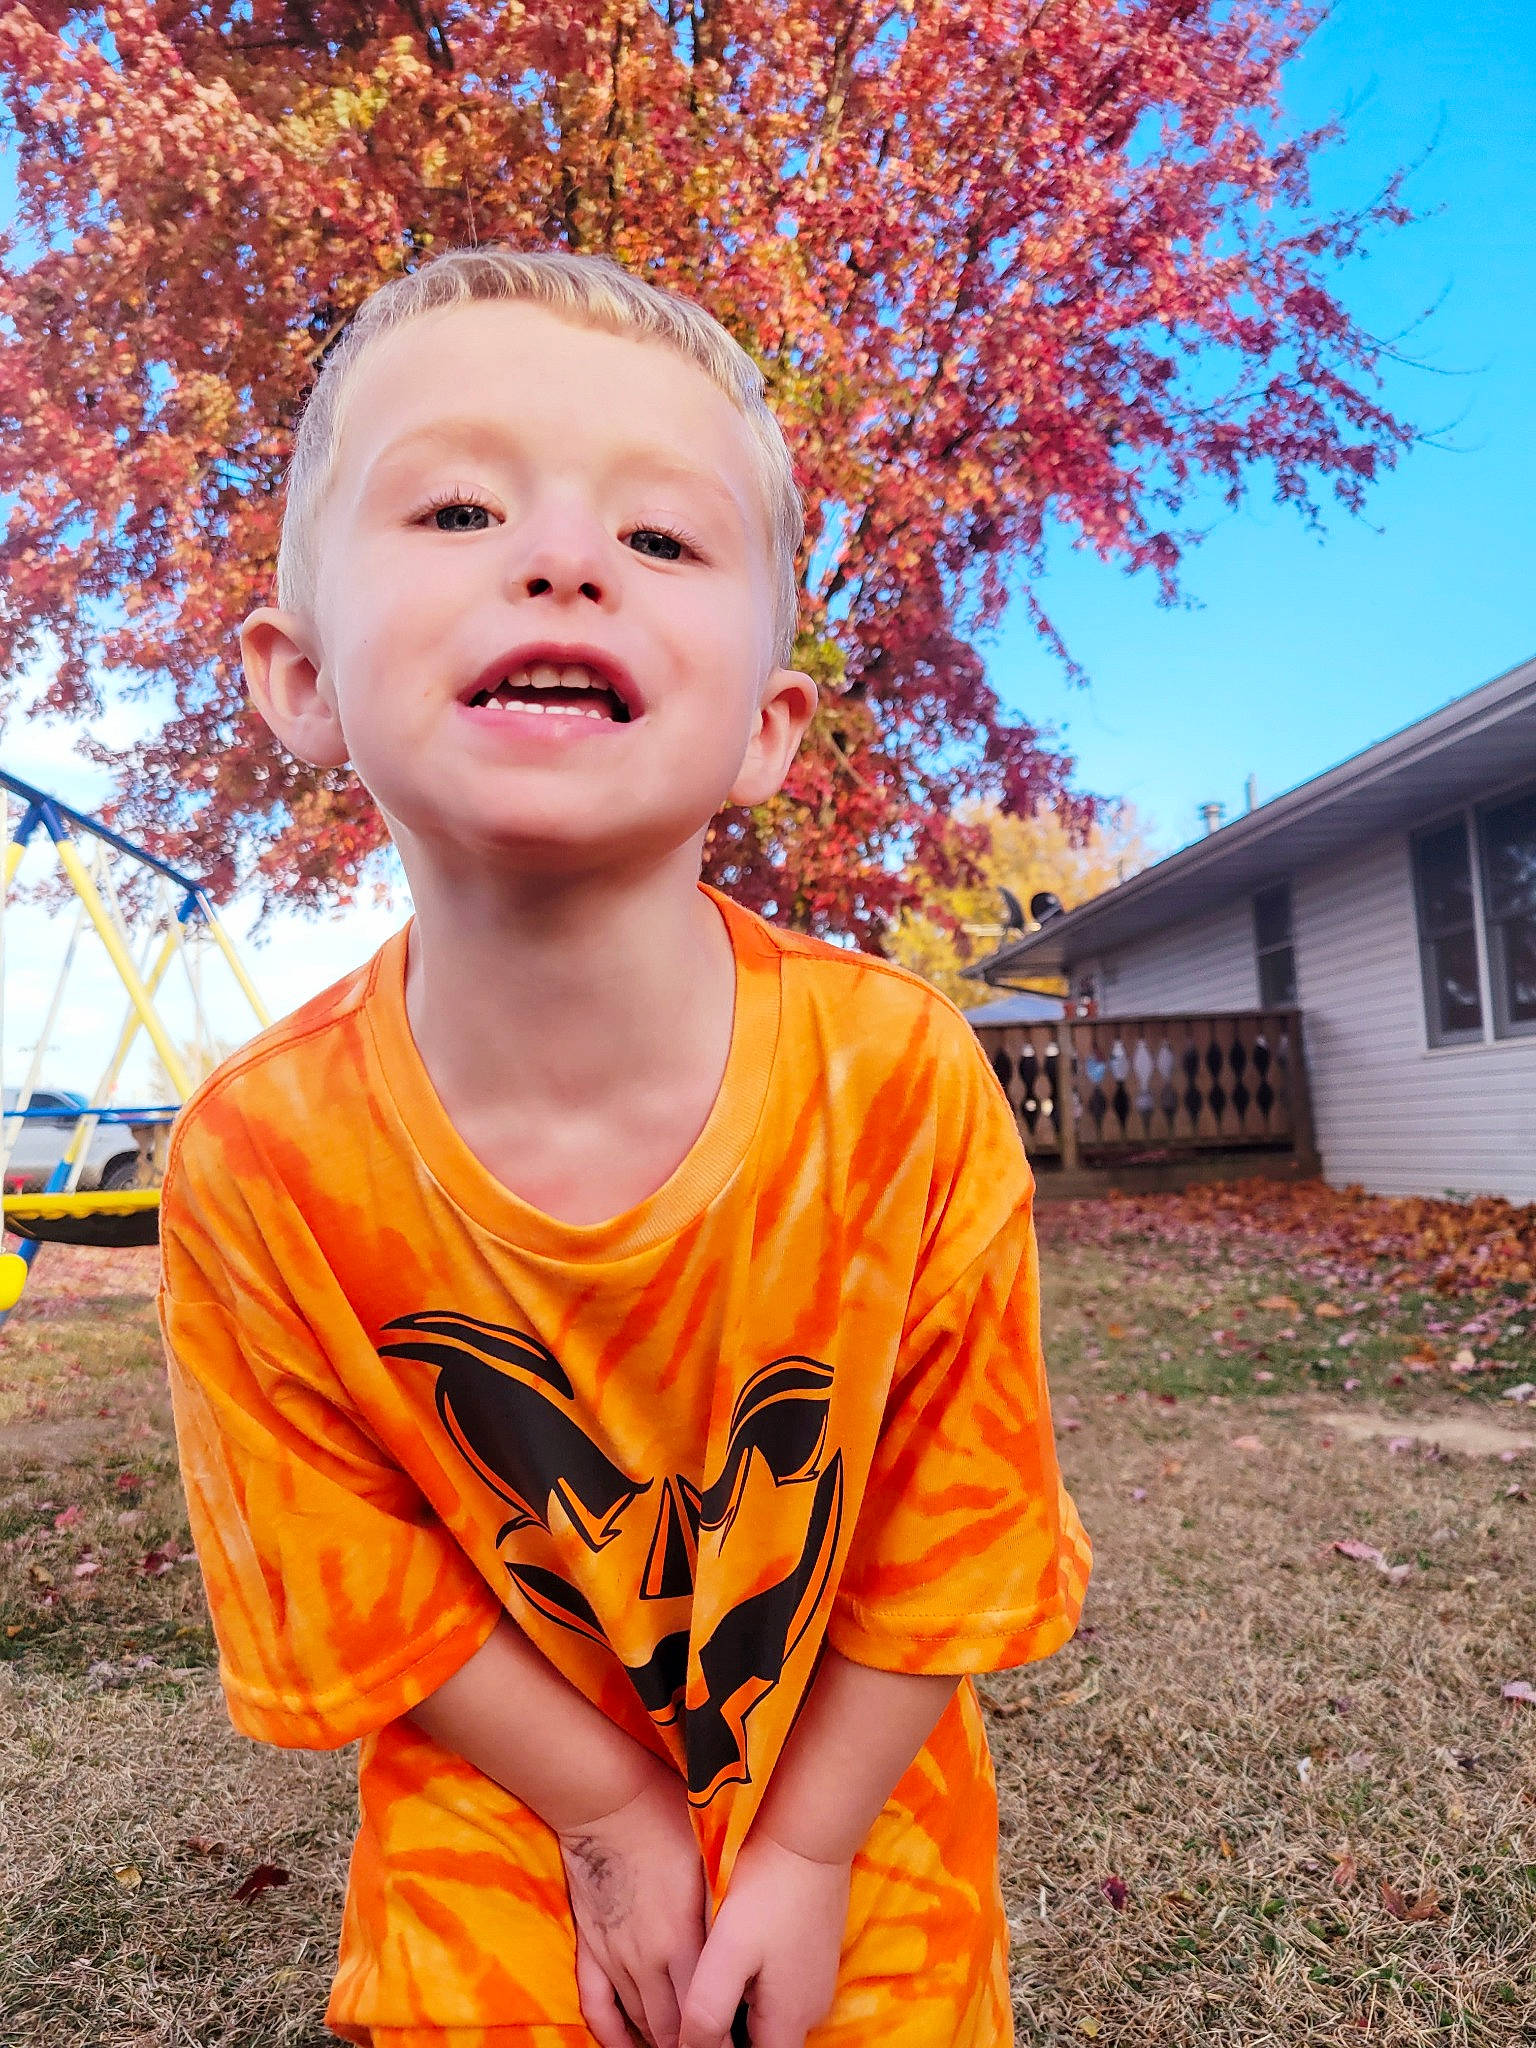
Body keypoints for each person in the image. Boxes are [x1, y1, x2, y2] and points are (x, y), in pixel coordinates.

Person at [158, 246, 1091, 2048]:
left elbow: (955, 1532)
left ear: (768, 725)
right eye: (454, 505)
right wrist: (603, 1815)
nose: (565, 556)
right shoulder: (260, 1161)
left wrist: (807, 1859)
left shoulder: (896, 1080)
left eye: (662, 541)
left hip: (854, 1787)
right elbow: (356, 1590)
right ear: (299, 681)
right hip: (501, 1797)